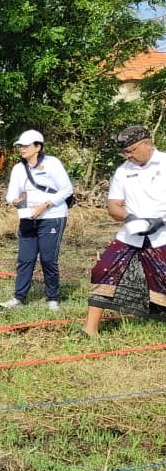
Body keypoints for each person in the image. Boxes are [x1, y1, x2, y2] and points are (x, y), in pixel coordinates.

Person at [83, 125, 166, 336]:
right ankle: (90, 330)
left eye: (131, 151)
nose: (128, 156)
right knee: (103, 269)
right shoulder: (123, 171)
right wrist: (129, 217)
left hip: (162, 234)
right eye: (125, 152)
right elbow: (113, 205)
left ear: (146, 144)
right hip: (131, 234)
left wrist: (160, 221)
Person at [0, 129, 73, 311]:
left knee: (48, 259)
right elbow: (11, 194)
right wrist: (15, 201)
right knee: (25, 258)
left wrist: (45, 205)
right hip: (28, 217)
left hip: (52, 216)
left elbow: (66, 189)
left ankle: (52, 298)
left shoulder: (52, 164)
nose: (22, 149)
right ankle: (18, 298)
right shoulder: (18, 168)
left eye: (26, 145)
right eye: (20, 146)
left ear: (38, 147)